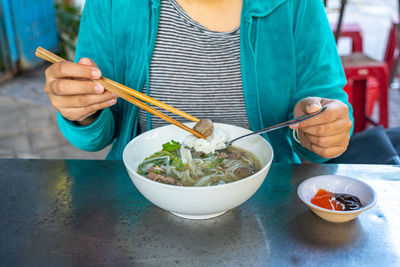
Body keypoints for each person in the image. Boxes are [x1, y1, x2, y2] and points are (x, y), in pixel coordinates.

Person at [43, 0, 353, 163]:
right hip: (141, 198)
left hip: (270, 199)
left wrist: (320, 129)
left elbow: (324, 104)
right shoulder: (113, 4)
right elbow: (98, 136)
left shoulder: (296, 4)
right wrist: (84, 112)